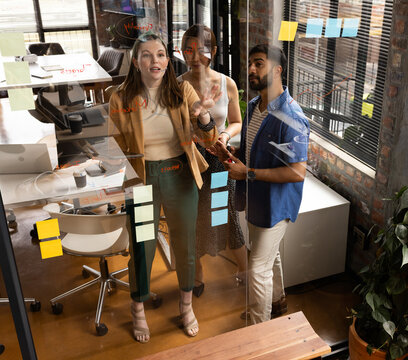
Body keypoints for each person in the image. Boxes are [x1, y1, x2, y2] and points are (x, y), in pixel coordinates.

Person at [108, 32, 219, 342]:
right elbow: (113, 146)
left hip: (179, 174)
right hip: (141, 178)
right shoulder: (120, 97)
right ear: (135, 61)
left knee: (185, 244)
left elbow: (209, 139)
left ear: (167, 60)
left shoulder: (183, 90)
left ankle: (185, 307)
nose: (154, 60)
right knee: (143, 247)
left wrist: (205, 117)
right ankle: (138, 309)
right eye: (146, 55)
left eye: (160, 54)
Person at [212, 44, 310, 323]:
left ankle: (260, 328)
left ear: (278, 70)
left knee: (257, 269)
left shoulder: (291, 117)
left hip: (276, 206)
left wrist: (249, 173)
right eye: (250, 64)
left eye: (259, 64)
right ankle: (276, 303)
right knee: (267, 257)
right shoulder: (255, 106)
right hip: (255, 200)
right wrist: (230, 155)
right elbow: (254, 153)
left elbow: (297, 172)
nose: (251, 70)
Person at [179, 24, 247, 296]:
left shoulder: (226, 82)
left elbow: (237, 122)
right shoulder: (177, 85)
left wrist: (225, 136)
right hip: (189, 164)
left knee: (226, 216)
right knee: (191, 219)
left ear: (214, 51)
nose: (194, 57)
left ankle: (245, 271)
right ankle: (197, 277)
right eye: (189, 50)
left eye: (202, 50)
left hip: (219, 163)